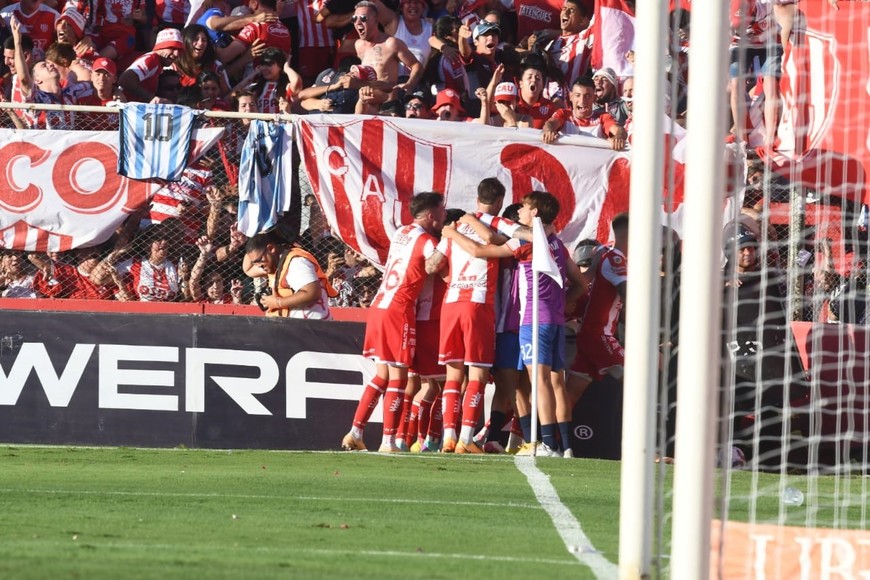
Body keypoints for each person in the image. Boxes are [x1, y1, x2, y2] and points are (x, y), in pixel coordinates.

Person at [442, 191, 585, 457]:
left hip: (529, 320)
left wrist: (456, 232)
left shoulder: (525, 243)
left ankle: (544, 444)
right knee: (552, 383)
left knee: (530, 384)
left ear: (535, 213)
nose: (519, 211)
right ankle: (564, 446)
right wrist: (563, 303)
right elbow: (580, 282)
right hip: (553, 319)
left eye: (524, 207)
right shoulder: (557, 243)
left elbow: (480, 249)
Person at [342, 191, 446, 453]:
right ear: (432, 215)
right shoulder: (425, 239)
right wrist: (449, 243)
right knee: (399, 378)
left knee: (382, 375)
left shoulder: (402, 232)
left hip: (379, 305)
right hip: (399, 310)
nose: (445, 216)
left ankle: (356, 432)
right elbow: (434, 266)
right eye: (442, 212)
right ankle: (388, 441)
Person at [424, 179, 516, 453]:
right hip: (478, 304)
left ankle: (448, 437)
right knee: (477, 373)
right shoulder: (496, 224)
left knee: (453, 375)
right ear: (500, 202)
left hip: (451, 304)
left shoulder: (455, 229)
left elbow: (431, 266)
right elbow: (499, 242)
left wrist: (450, 273)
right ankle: (466, 438)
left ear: (477, 200)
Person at [566, 213, 629, 425]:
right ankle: (647, 447)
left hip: (588, 335)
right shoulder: (615, 258)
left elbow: (584, 281)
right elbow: (626, 291)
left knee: (570, 394)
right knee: (639, 385)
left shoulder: (603, 253)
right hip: (599, 335)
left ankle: (554, 442)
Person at [10, 15, 95, 130]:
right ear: (37, 80)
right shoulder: (36, 98)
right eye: (44, 66)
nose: (50, 65)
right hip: (41, 146)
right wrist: (17, 43)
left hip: (68, 147)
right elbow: (24, 79)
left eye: (49, 63)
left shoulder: (70, 94)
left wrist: (115, 90)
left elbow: (95, 84)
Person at [242, 231, 336, 319]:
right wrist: (260, 234)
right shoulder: (272, 264)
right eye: (254, 263)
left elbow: (313, 293)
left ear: (271, 249)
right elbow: (248, 269)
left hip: (312, 328)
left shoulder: (296, 262)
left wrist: (277, 303)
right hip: (294, 328)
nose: (259, 266)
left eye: (258, 261)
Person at [352, 0, 423, 114]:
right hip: (366, 101)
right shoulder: (359, 45)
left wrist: (410, 84)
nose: (358, 22)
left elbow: (416, 65)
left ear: (376, 20)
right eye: (354, 19)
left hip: (388, 103)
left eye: (363, 18)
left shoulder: (390, 43)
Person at [541, 76, 628, 150]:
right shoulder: (563, 114)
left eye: (587, 96)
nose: (582, 101)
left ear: (594, 98)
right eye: (578, 95)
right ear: (571, 97)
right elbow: (550, 124)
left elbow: (619, 130)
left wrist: (619, 137)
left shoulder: (603, 118)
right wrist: (549, 131)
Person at [119, 28, 184, 102]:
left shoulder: (156, 62)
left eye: (179, 50)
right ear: (161, 46)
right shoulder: (152, 59)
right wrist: (151, 98)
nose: (176, 54)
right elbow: (125, 80)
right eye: (172, 48)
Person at [543, 0, 593, 91]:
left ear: (581, 20)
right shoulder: (549, 44)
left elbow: (599, 20)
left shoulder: (583, 40)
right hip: (548, 100)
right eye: (564, 9)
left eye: (572, 10)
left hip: (570, 99)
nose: (566, 12)